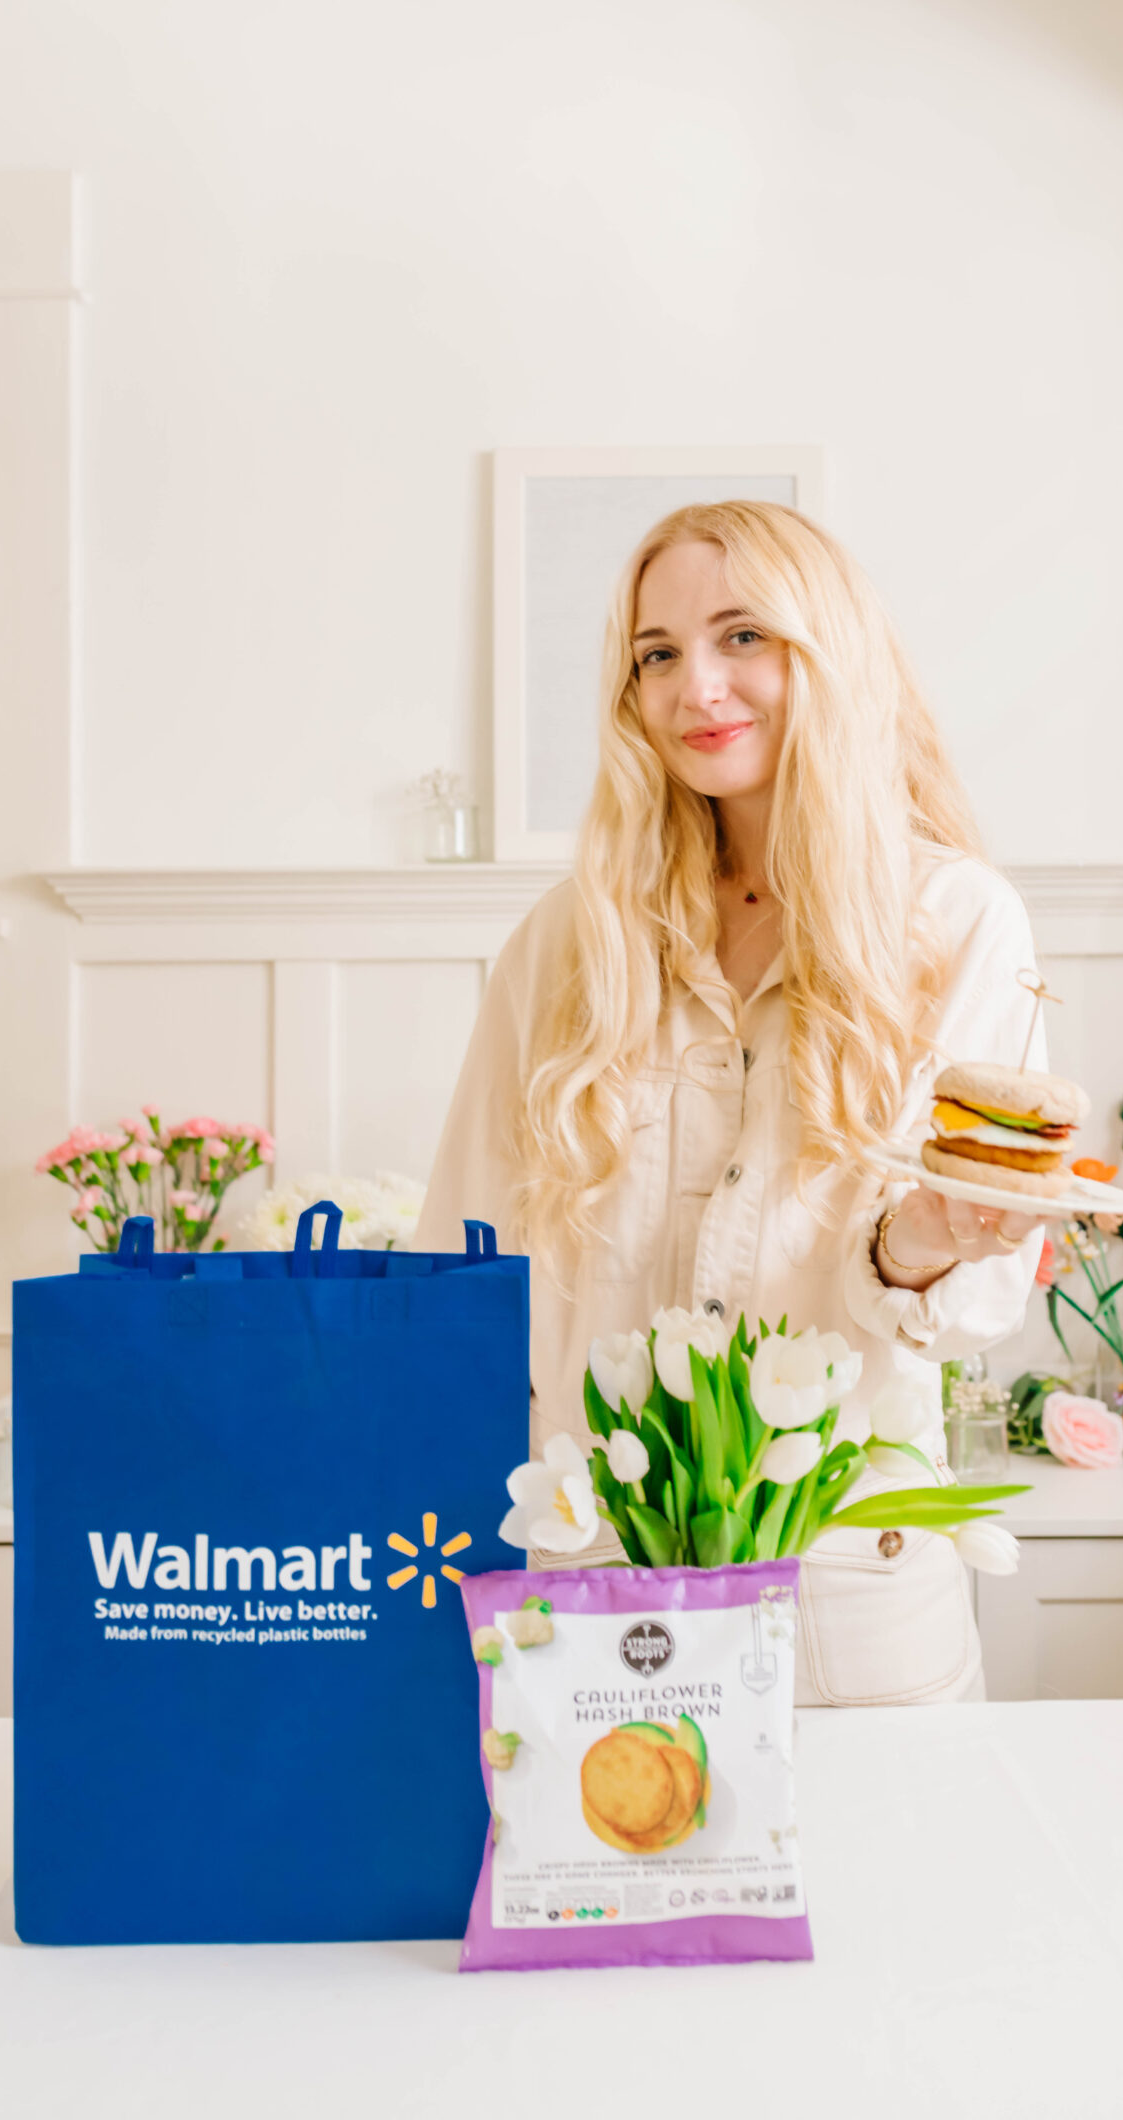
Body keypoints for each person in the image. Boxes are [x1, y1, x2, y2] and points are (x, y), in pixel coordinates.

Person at [414, 500, 1051, 1702]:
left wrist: (919, 1248)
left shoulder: (955, 922)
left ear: (828, 651)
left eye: (742, 634)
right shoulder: (569, 943)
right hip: (596, 1594)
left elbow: (971, 1302)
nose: (694, 683)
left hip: (854, 1598)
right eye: (656, 654)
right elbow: (463, 1262)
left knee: (891, 1894)